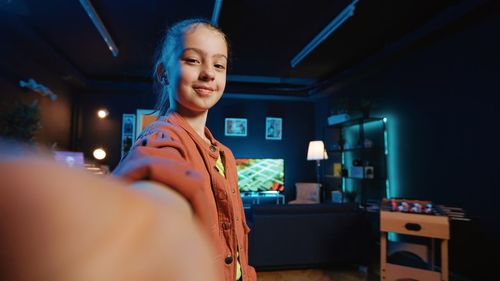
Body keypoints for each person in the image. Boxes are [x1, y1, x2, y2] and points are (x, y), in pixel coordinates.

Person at [113, 18, 257, 281]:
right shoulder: (162, 138)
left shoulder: (225, 153)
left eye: (219, 65)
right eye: (192, 60)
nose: (208, 73)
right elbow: (152, 189)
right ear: (163, 73)